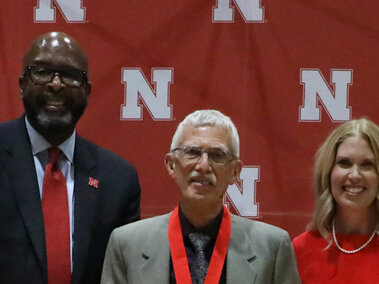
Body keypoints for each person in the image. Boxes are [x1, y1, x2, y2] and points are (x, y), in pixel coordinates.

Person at [0, 32, 141, 284]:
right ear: (22, 85)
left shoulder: (119, 180)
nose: (56, 84)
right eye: (42, 72)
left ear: (87, 91)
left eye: (70, 75)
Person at [101, 109, 300, 284]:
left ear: (235, 171)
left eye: (217, 155)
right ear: (171, 165)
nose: (203, 165)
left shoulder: (272, 247)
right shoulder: (126, 244)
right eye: (193, 152)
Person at [293, 118, 379, 283]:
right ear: (328, 172)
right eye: (344, 163)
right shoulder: (300, 249)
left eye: (367, 165)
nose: (354, 175)